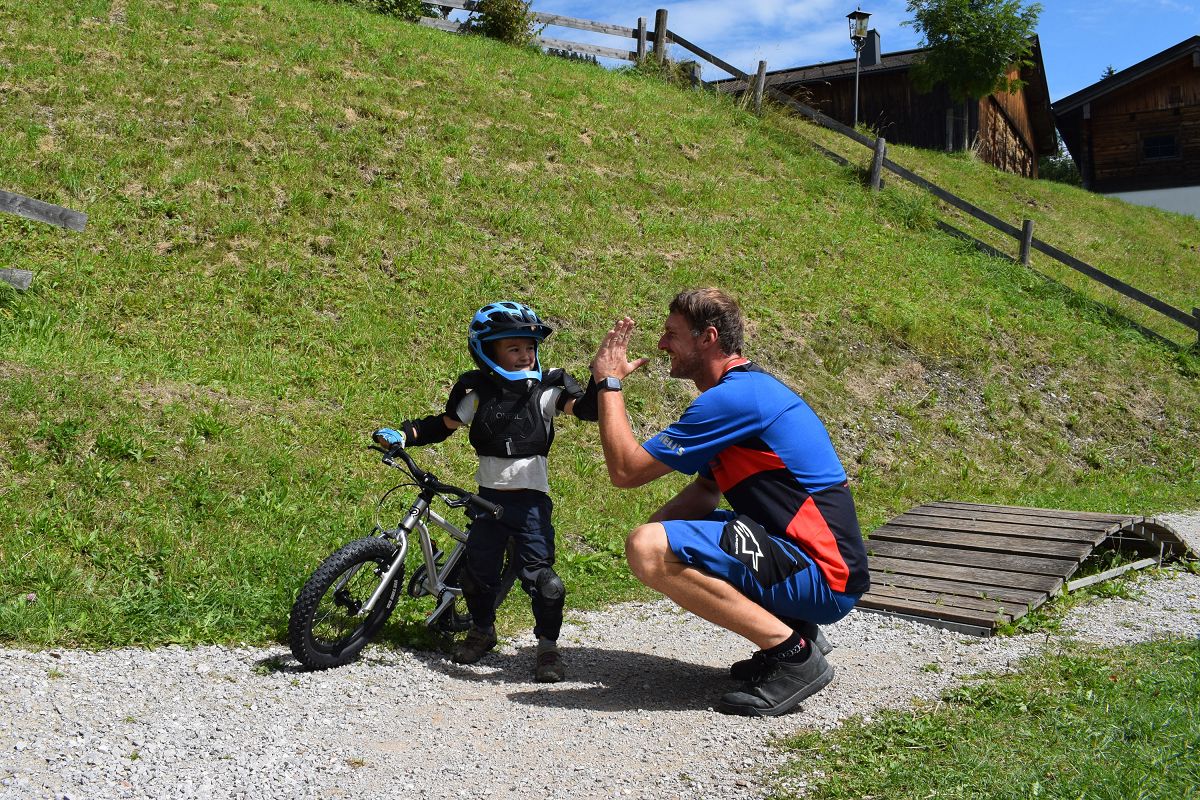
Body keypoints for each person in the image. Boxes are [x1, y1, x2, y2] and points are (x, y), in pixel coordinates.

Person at [587, 288, 869, 717]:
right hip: (815, 563)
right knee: (653, 542)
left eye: (672, 334)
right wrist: (657, 545)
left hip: (823, 574)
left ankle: (795, 656)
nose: (662, 345)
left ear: (708, 338)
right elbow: (705, 490)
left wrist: (608, 383)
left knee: (650, 546)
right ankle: (795, 630)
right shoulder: (744, 393)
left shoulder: (735, 399)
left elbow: (626, 471)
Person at [373, 301, 601, 683]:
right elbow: (442, 426)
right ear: (486, 350)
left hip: (530, 505)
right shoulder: (476, 392)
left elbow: (588, 409)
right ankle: (482, 631)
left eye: (530, 347)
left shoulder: (545, 391)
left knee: (545, 583)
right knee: (476, 577)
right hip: (487, 502)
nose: (525, 355)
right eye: (513, 348)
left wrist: (602, 377)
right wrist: (405, 435)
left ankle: (548, 649)